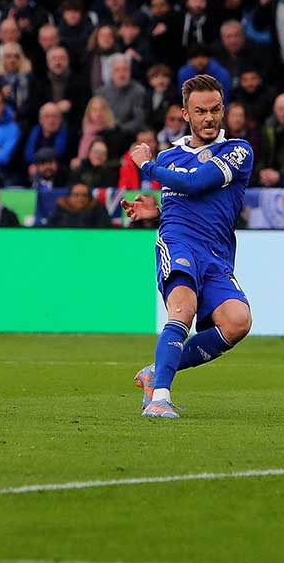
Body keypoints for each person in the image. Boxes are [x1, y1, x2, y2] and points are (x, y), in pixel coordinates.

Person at [121, 74, 254, 419]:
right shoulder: (170, 157)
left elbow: (196, 184)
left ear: (223, 109)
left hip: (216, 255)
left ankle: (157, 371)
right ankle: (159, 399)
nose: (209, 118)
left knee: (238, 322)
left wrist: (147, 166)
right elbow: (181, 201)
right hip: (178, 242)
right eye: (200, 111)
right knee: (183, 309)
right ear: (186, 114)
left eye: (215, 109)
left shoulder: (238, 151)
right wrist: (157, 212)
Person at [47, 181, 111, 228]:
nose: (80, 198)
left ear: (89, 198)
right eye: (76, 195)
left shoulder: (98, 210)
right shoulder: (59, 210)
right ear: (69, 197)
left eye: (84, 195)